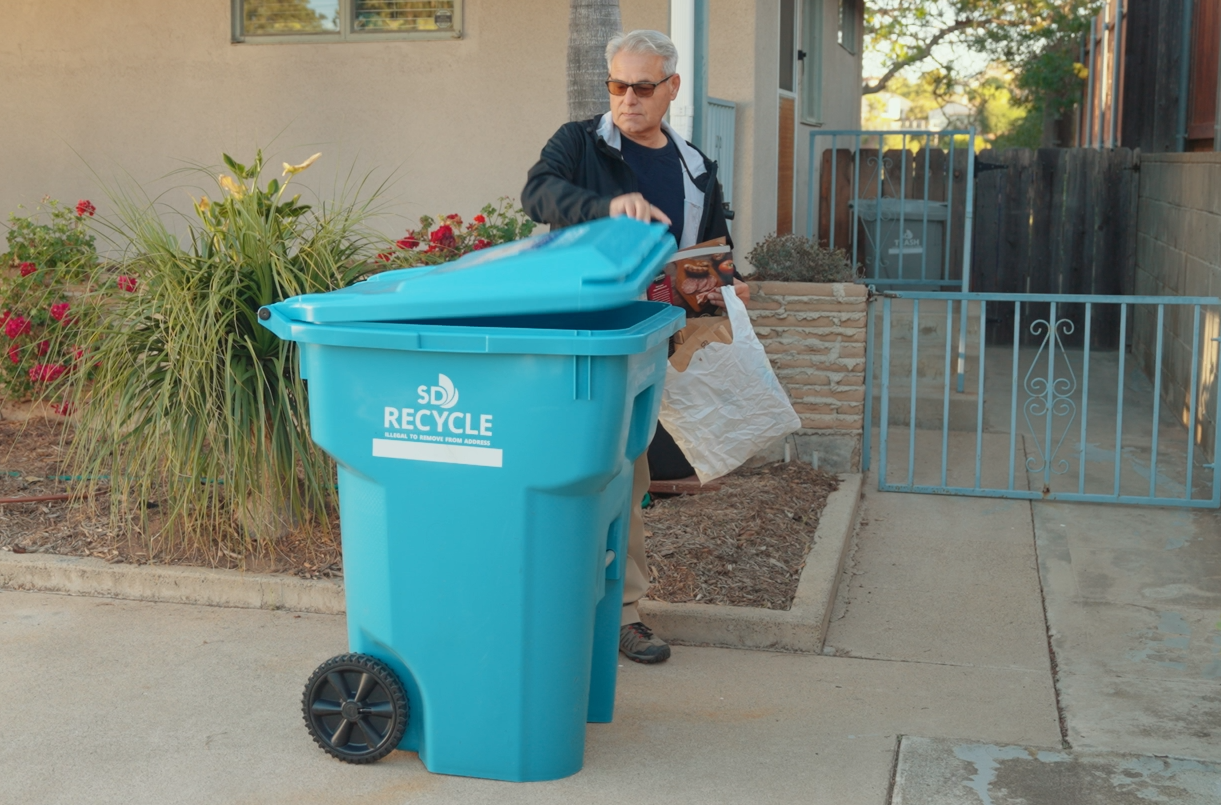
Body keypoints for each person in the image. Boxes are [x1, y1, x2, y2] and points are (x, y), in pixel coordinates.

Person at [522, 29, 749, 664]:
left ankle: (621, 613)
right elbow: (538, 193)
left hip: (650, 344)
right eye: (617, 86)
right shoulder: (578, 143)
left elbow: (708, 251)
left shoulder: (694, 164)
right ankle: (554, 604)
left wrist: (726, 283)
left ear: (671, 89)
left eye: (642, 87)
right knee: (579, 471)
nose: (626, 99)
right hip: (578, 336)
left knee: (628, 474)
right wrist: (603, 205)